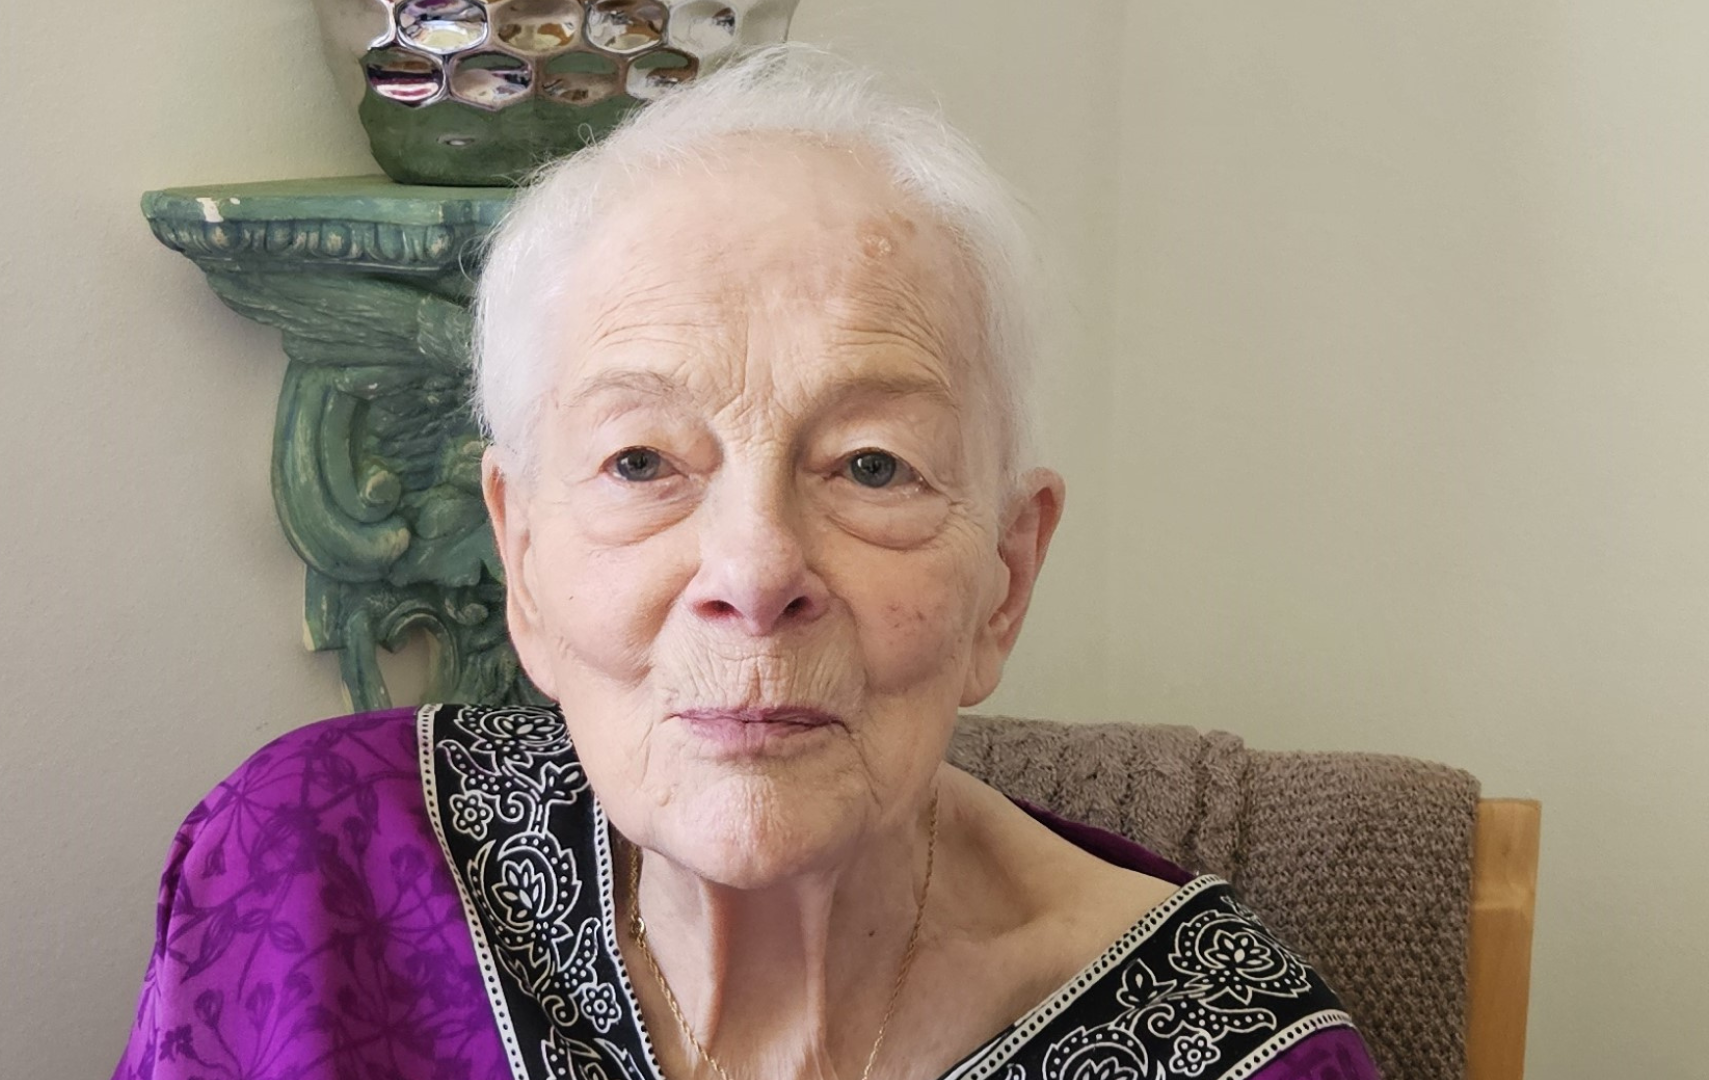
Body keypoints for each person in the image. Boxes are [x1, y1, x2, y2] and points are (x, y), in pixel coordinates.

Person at [111, 47, 1380, 1080]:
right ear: (525, 559)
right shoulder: (308, 874)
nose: (756, 568)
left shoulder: (1236, 1056)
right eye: (642, 462)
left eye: (872, 466)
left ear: (1008, 573)